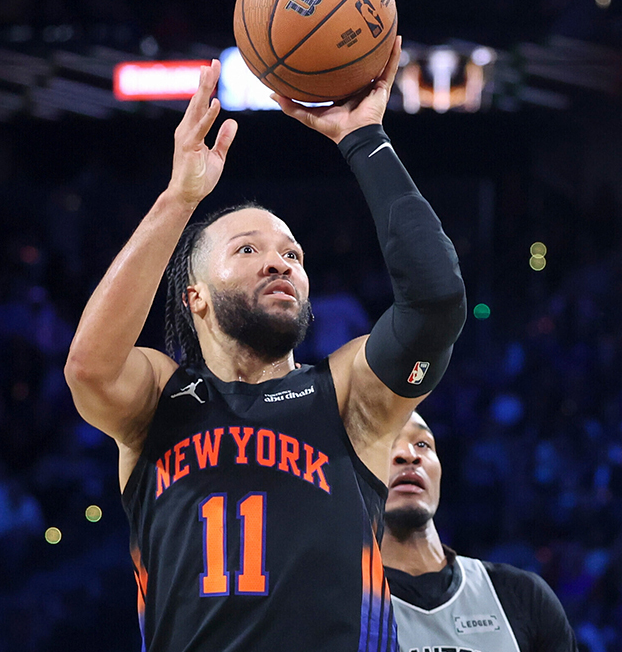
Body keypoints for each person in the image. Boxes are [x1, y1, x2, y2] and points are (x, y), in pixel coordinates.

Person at [64, 37, 467, 652]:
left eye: (293, 255)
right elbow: (89, 368)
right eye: (248, 250)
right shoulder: (159, 401)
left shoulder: (346, 397)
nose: (279, 263)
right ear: (195, 296)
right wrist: (179, 200)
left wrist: (364, 138)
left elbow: (436, 302)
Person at [383, 412, 577, 652]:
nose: (409, 454)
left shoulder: (524, 597)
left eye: (422, 444)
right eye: (386, 442)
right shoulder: (341, 606)